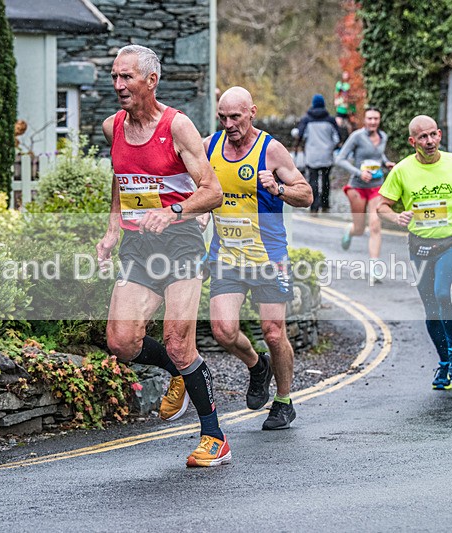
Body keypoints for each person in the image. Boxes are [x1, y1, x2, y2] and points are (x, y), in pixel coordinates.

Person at [96, 45, 229, 467]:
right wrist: (113, 226)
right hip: (138, 243)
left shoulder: (178, 127)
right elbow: (121, 177)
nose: (118, 85)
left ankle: (215, 437)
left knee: (177, 340)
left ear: (151, 81)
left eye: (127, 78)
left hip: (181, 240)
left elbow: (213, 192)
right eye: (115, 77)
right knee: (121, 341)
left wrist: (172, 211)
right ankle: (176, 372)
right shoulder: (112, 127)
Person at [203, 86, 313, 429]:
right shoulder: (210, 146)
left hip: (268, 257)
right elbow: (201, 191)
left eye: (235, 116)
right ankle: (256, 365)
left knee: (274, 332)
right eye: (222, 117)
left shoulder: (272, 150)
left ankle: (283, 401)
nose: (229, 124)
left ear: (252, 112)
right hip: (227, 256)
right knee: (222, 331)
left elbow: (307, 194)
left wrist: (279, 188)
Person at [377, 115, 452, 390]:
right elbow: (382, 205)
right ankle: (444, 363)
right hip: (419, 246)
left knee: (443, 293)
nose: (429, 142)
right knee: (430, 309)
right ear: (412, 141)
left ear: (439, 134)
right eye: (422, 137)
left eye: (432, 135)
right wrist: (397, 217)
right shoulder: (402, 170)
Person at [335, 106, 396, 282]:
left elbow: (378, 156)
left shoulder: (383, 137)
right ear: (364, 120)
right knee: (360, 229)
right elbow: (340, 159)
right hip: (357, 186)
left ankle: (375, 269)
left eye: (376, 119)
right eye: (369, 119)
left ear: (379, 120)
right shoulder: (356, 137)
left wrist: (386, 164)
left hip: (377, 186)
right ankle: (350, 230)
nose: (373, 122)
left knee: (376, 225)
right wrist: (358, 172)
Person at [293, 94, 341, 212]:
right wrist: (330, 147)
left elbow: (300, 135)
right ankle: (325, 205)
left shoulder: (306, 119)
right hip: (327, 155)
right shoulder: (330, 120)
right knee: (326, 180)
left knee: (313, 180)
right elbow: (337, 138)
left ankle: (314, 206)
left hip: (312, 155)